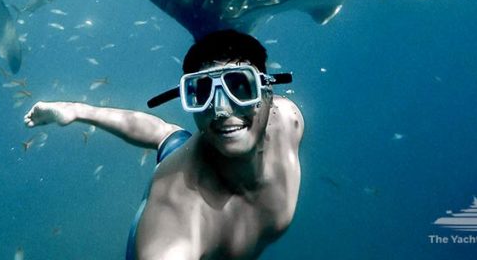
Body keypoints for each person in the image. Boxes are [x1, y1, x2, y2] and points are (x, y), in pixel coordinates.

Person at [24, 29, 304, 259]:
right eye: (202, 92)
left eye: (241, 87)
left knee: (169, 136)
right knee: (175, 146)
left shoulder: (289, 120)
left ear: (268, 92)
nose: (221, 110)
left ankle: (77, 110)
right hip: (180, 181)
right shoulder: (177, 214)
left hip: (194, 150)